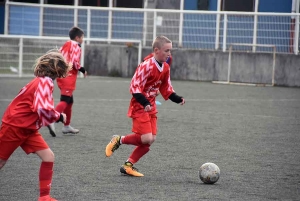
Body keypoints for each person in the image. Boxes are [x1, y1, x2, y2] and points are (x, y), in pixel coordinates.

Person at [105, 36, 185, 177]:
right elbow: (134, 87)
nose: (169, 54)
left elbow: (166, 88)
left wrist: (177, 99)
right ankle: (119, 139)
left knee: (151, 139)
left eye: (170, 51)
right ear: (156, 50)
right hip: (139, 104)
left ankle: (128, 165)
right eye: (166, 51)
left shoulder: (165, 67)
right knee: (146, 138)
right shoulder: (146, 65)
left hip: (151, 105)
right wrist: (145, 102)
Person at [0, 51, 70, 201]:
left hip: (28, 127)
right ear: (58, 69)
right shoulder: (44, 82)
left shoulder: (42, 81)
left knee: (48, 157)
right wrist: (59, 116)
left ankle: (44, 197)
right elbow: (43, 109)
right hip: (16, 126)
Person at [47, 26, 87, 137]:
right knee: (65, 100)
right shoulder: (75, 46)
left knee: (69, 101)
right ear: (77, 37)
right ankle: (51, 119)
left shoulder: (66, 44)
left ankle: (66, 126)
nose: (83, 39)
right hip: (68, 75)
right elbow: (74, 62)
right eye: (82, 37)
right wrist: (82, 69)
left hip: (61, 75)